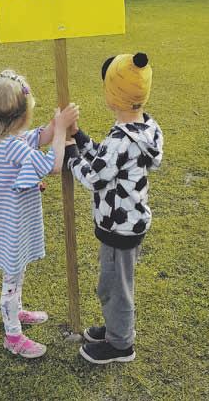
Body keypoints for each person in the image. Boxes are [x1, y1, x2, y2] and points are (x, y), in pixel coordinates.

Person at [64, 53, 163, 364]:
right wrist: (79, 137)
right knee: (118, 282)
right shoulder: (145, 129)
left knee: (114, 286)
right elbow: (106, 162)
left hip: (118, 228)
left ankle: (120, 345)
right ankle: (116, 329)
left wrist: (70, 154)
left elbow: (94, 176)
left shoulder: (120, 140)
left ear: (112, 96)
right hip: (131, 223)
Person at [0, 69, 79, 359]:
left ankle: (15, 311)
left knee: (16, 270)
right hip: (10, 224)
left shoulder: (7, 137)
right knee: (11, 277)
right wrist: (59, 132)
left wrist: (53, 127)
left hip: (12, 220)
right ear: (20, 116)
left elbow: (37, 138)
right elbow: (53, 165)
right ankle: (13, 336)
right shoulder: (9, 145)